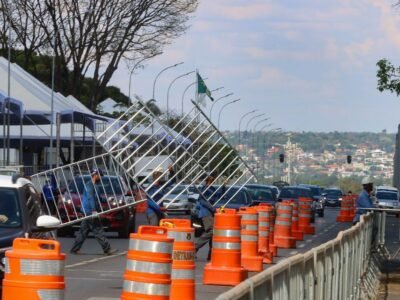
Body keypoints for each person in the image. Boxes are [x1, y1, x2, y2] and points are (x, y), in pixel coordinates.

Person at [70, 168, 117, 255]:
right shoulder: (89, 185)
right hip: (89, 212)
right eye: (100, 176)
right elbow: (90, 198)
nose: (101, 178)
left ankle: (75, 249)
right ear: (95, 175)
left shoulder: (96, 186)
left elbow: (98, 199)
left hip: (89, 212)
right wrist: (94, 210)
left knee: (83, 231)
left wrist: (107, 199)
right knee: (98, 230)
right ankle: (107, 249)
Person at [194, 172, 218, 261]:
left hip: (210, 213)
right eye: (211, 178)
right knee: (211, 230)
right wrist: (212, 208)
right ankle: (195, 247)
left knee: (213, 233)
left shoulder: (212, 188)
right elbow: (203, 201)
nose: (213, 179)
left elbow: (218, 196)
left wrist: (223, 187)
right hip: (205, 213)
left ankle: (211, 254)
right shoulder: (204, 188)